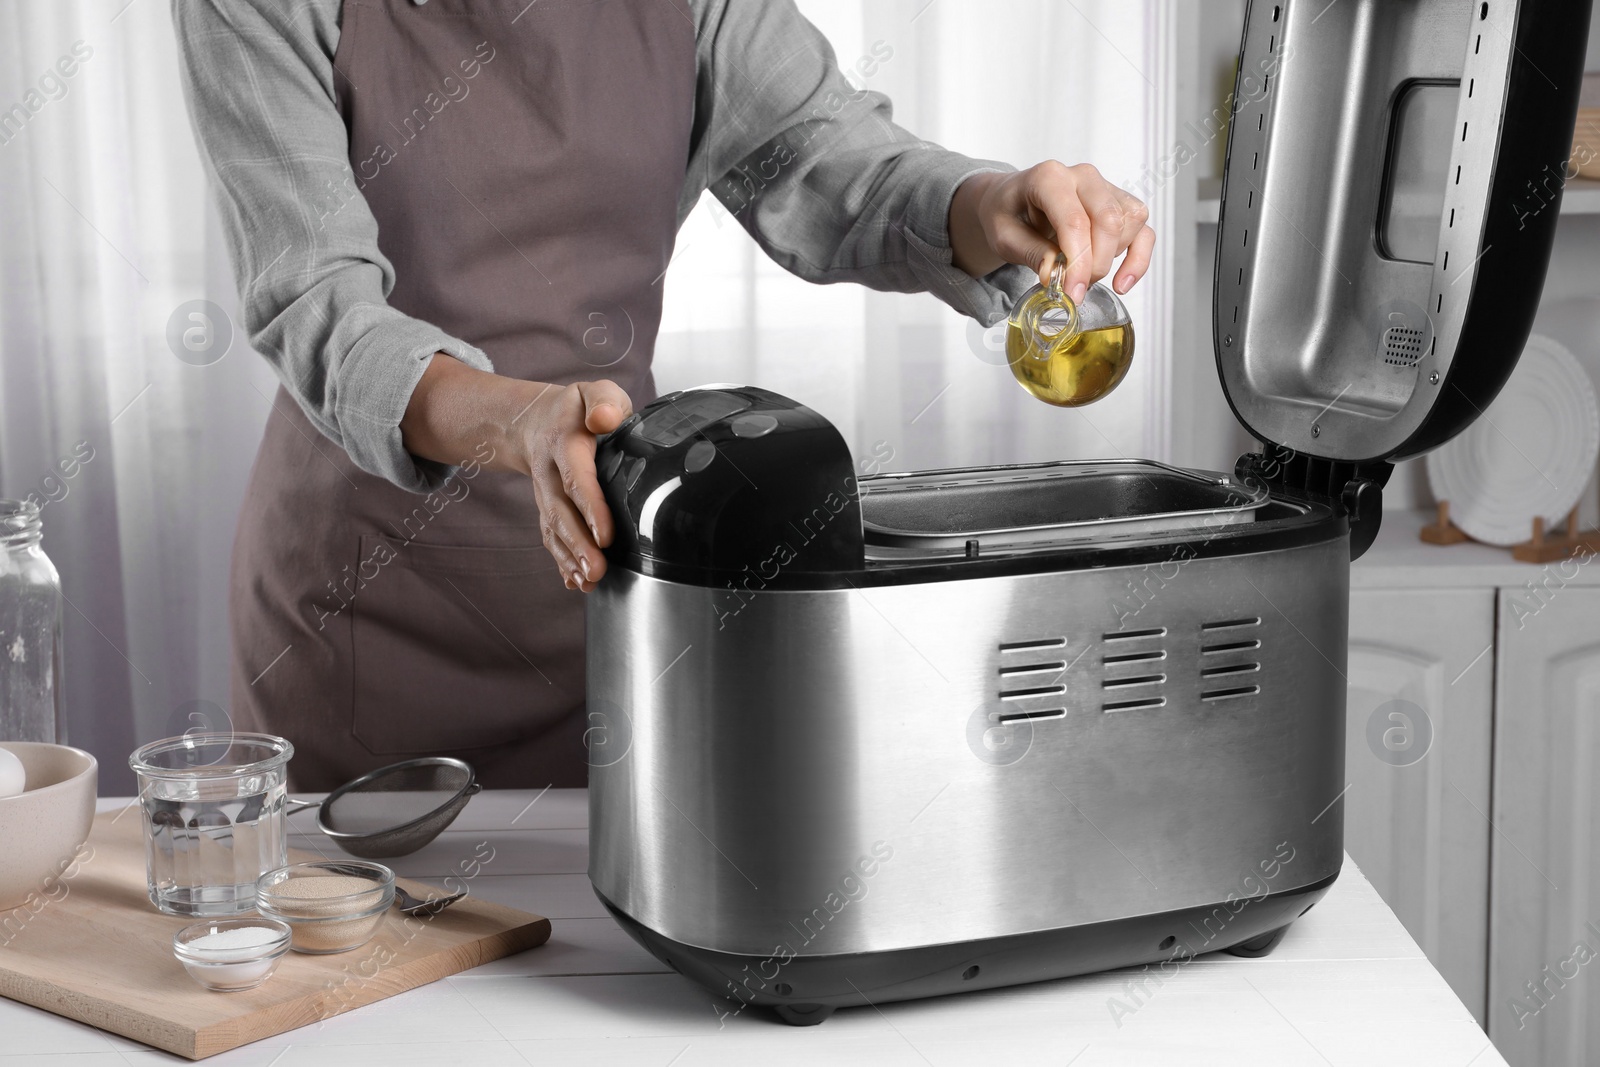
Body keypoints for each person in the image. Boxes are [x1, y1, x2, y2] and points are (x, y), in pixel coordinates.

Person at [173, 0, 1155, 790]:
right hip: (363, 619)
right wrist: (519, 420)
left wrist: (988, 205)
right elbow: (315, 298)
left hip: (607, 589)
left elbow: (830, 157)